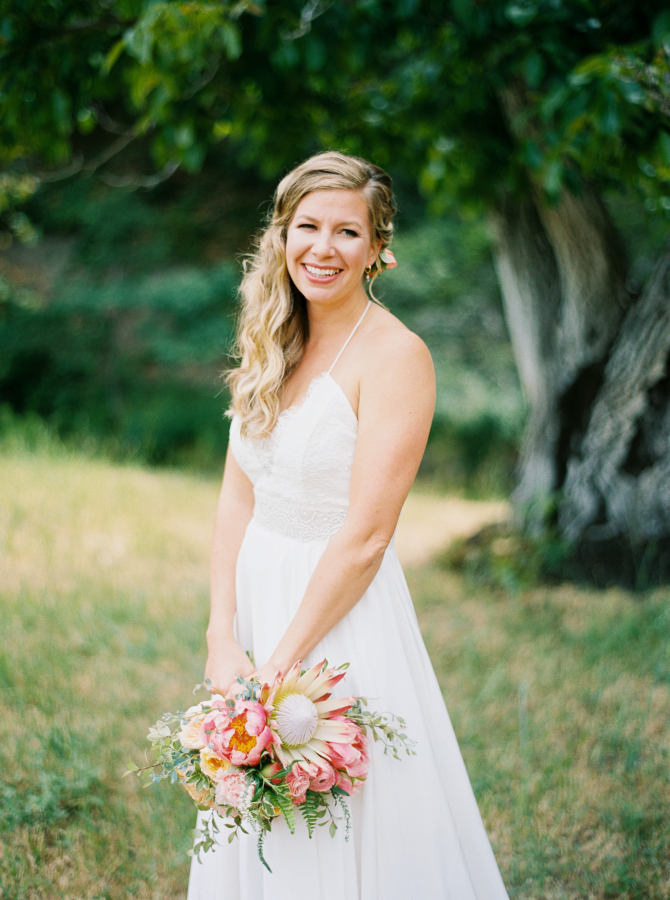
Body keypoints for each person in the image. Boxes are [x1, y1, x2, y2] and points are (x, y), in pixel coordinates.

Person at [187, 151, 509, 900]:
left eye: (346, 231)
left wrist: (278, 675)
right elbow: (239, 499)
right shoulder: (273, 337)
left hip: (339, 612)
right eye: (307, 227)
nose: (322, 249)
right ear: (281, 234)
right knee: (259, 809)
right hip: (260, 608)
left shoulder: (397, 356)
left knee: (346, 805)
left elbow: (366, 536)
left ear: (377, 247)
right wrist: (222, 636)